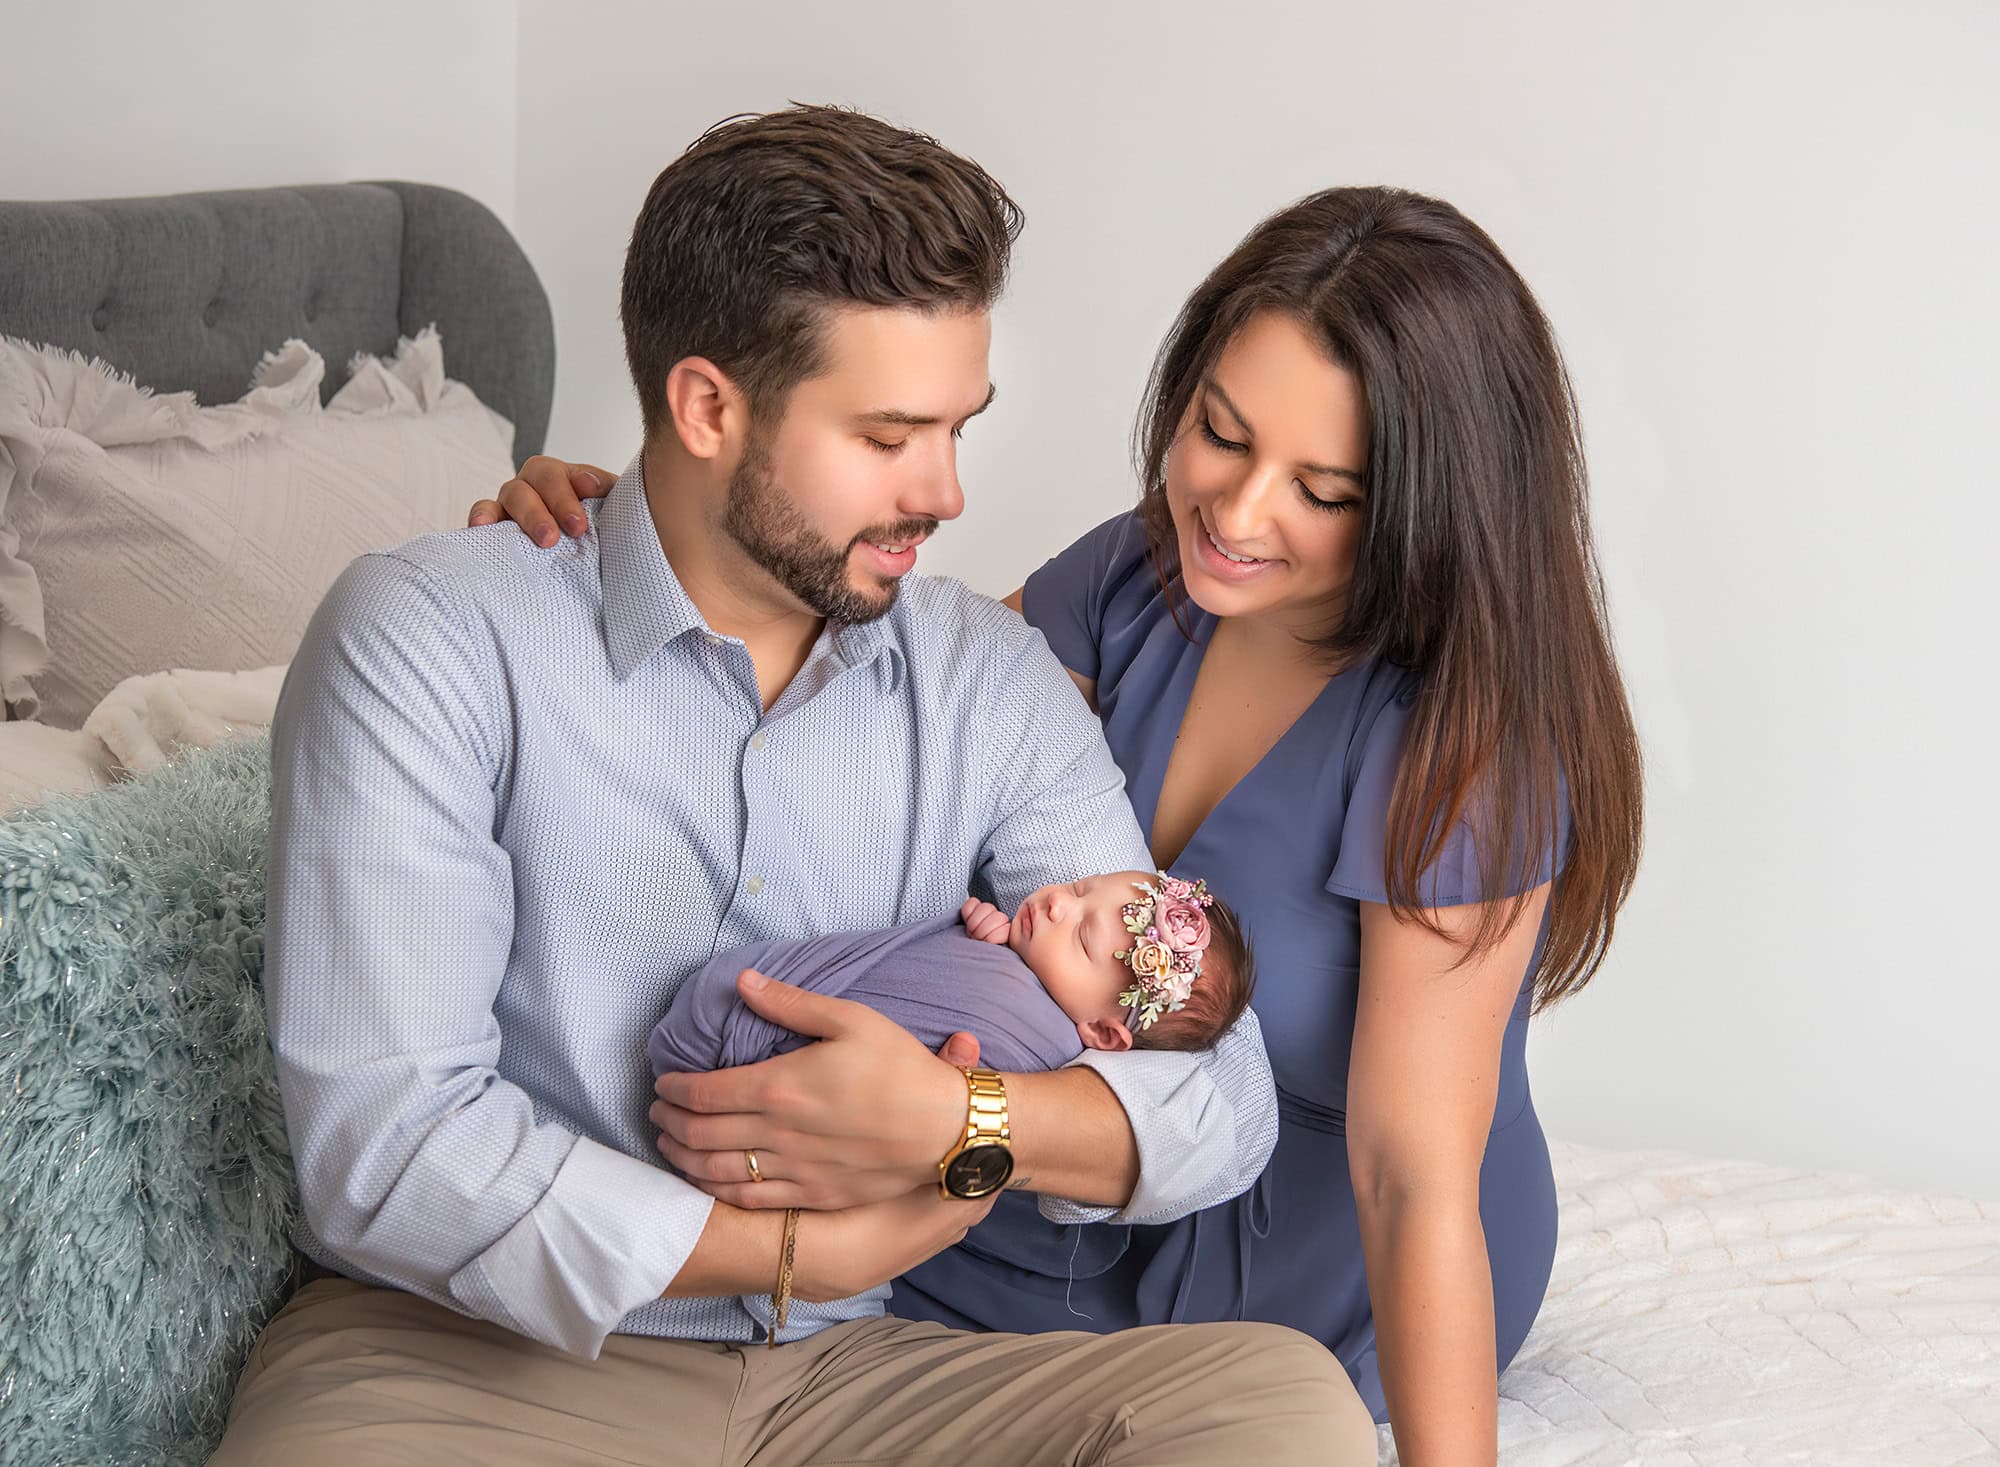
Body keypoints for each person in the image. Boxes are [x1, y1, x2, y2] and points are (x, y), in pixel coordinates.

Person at [213, 106, 1379, 1466]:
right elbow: (387, 1139)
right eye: (890, 436)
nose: (946, 490)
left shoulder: (988, 677)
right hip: (467, 1361)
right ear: (709, 405)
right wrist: (784, 1248)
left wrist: (967, 1124)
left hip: (854, 1372)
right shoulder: (431, 637)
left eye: (958, 426)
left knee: (1276, 1410)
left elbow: (1219, 1094)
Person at [478, 181, 1646, 1466]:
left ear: (1426, 511)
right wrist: (647, 531)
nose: (1237, 513)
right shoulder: (1134, 576)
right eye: (1217, 431)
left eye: (1322, 491)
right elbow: (878, 686)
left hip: (1320, 1264)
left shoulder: (1460, 741)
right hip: (1035, 1199)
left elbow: (1409, 1175)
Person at [652, 870, 1252, 1332]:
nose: (1058, 903)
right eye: (1078, 887)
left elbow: (1230, 1123)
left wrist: (965, 1105)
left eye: (1083, 937)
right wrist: (994, 945)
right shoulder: (1039, 966)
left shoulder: (1041, 1051)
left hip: (740, 1060)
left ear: (1102, 1035)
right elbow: (938, 968)